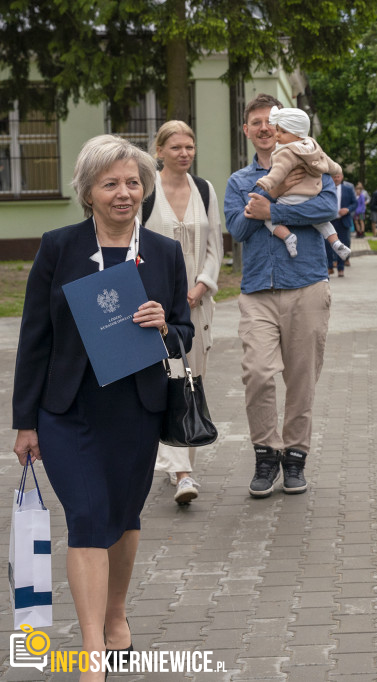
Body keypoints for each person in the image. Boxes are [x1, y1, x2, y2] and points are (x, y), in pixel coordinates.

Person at [12, 134, 193, 680]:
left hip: (135, 410)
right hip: (67, 411)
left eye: (133, 182)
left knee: (123, 517)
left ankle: (116, 612)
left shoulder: (164, 252)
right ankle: (93, 646)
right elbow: (34, 338)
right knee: (88, 517)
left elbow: (184, 331)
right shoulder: (58, 247)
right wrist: (25, 421)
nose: (124, 192)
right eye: (110, 183)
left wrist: (166, 324)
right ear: (87, 191)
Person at [224, 93, 336, 498]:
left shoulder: (312, 161)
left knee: (301, 379)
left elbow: (327, 207)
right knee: (257, 373)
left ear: (284, 126)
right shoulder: (239, 181)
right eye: (256, 122)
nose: (265, 127)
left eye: (272, 120)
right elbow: (237, 229)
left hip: (306, 284)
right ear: (248, 130)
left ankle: (295, 458)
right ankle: (266, 454)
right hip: (257, 290)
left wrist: (270, 209)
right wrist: (274, 198)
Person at [144, 120, 224, 506]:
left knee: (189, 381)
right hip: (153, 309)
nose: (184, 153)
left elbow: (215, 246)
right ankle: (182, 472)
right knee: (166, 378)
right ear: (159, 151)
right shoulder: (145, 192)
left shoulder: (205, 189)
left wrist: (201, 285)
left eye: (189, 146)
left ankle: (178, 458)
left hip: (196, 305)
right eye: (175, 147)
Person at [254, 106, 351, 263]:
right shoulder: (313, 147)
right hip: (311, 196)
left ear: (298, 135)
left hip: (290, 198)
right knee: (321, 222)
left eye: (283, 132)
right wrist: (337, 170)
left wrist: (267, 182)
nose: (277, 135)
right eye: (277, 130)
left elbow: (278, 171)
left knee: (266, 217)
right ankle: (336, 242)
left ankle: (288, 237)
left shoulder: (286, 152)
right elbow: (329, 163)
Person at [327, 172, 357, 277]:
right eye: (334, 176)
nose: (336, 178)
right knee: (328, 244)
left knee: (343, 244)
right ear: (331, 177)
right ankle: (329, 266)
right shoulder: (326, 189)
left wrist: (348, 209)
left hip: (343, 221)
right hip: (329, 221)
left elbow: (355, 203)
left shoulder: (348, 189)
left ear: (342, 177)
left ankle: (341, 268)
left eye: (338, 176)